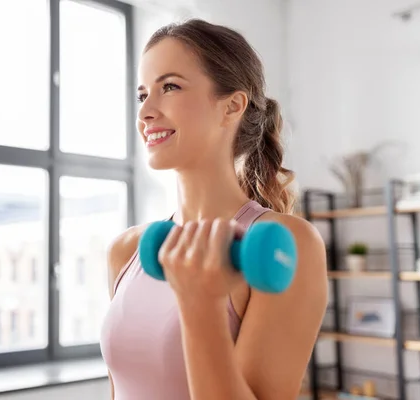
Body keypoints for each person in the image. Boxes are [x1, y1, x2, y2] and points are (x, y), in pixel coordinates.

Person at [99, 18, 328, 400]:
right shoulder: (127, 250)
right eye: (142, 95)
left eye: (169, 87)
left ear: (232, 106)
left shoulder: (287, 245)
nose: (145, 112)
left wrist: (201, 306)